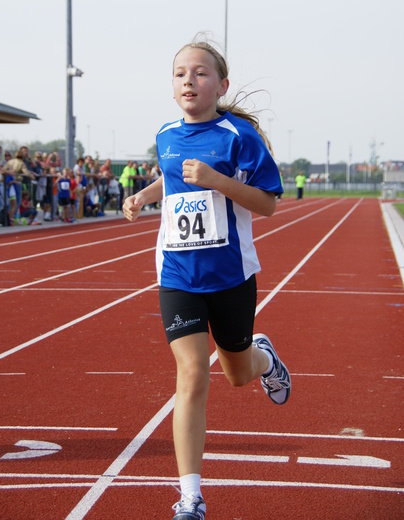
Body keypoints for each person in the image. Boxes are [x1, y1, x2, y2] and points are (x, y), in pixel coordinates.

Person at [123, 39, 291, 520]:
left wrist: (218, 180)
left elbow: (267, 203)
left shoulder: (239, 136)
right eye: (180, 74)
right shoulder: (165, 134)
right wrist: (143, 196)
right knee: (193, 374)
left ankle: (264, 357)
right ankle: (191, 498)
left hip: (230, 276)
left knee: (238, 373)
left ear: (221, 84)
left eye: (199, 73)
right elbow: (171, 176)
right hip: (177, 273)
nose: (188, 81)